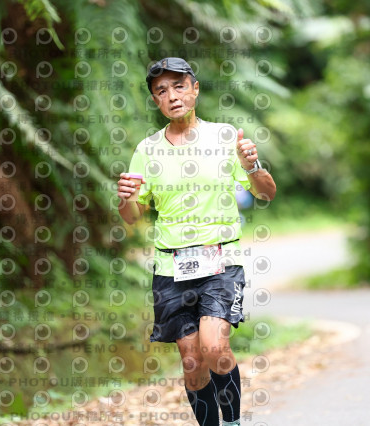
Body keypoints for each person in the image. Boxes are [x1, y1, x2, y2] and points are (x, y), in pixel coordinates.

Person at [116, 57, 277, 426]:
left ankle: (233, 423)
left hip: (220, 262)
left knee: (215, 347)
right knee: (192, 362)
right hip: (171, 267)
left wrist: (251, 165)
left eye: (179, 86)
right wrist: (125, 198)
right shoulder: (147, 150)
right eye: (161, 91)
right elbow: (132, 215)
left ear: (195, 89)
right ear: (155, 100)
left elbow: (267, 192)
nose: (172, 96)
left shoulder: (224, 137)